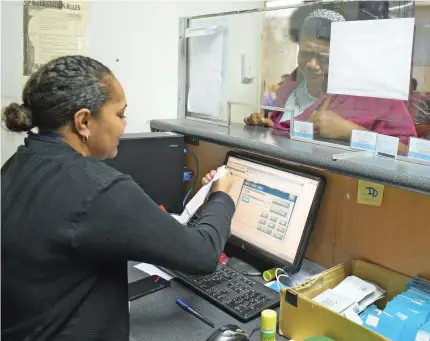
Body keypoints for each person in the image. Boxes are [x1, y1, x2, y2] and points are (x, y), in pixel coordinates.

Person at [1, 55, 235, 341]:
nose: (124, 125)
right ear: (84, 121)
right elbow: (203, 254)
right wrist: (223, 194)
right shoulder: (96, 189)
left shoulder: (20, 161)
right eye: (120, 114)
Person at [245, 9, 417, 154]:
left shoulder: (374, 94)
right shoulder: (292, 84)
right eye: (306, 53)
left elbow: (411, 153)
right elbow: (287, 132)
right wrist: (269, 128)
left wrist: (350, 132)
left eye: (324, 58)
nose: (312, 65)